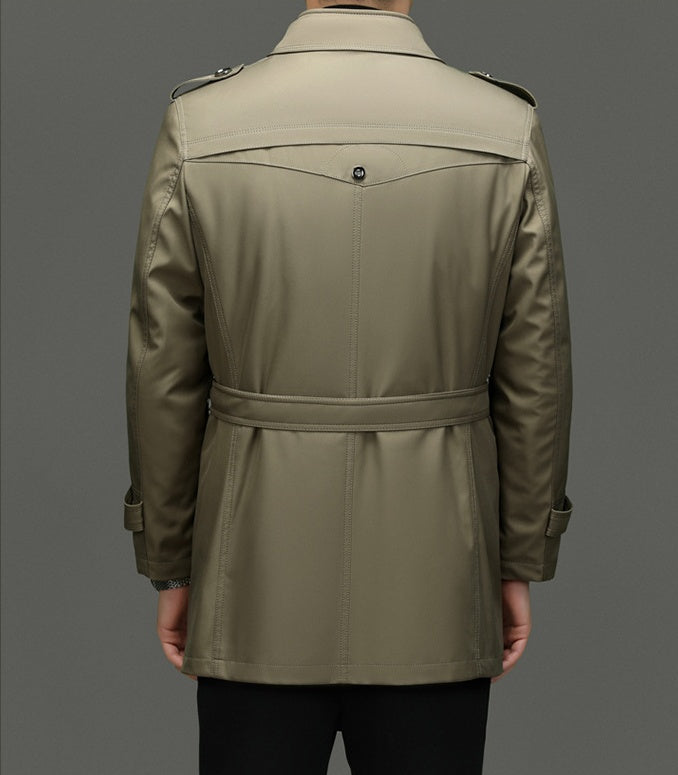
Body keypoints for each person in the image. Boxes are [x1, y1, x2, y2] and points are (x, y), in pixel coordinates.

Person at [122, 1, 575, 773]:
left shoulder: (201, 124)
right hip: (438, 568)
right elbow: (536, 367)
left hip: (253, 569)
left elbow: (162, 367)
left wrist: (170, 558)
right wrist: (519, 555)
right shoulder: (502, 127)